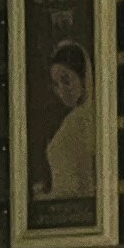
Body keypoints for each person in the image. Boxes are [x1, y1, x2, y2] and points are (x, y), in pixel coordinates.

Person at [38, 42, 97, 203]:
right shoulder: (72, 120)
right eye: (56, 85)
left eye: (66, 80)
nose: (62, 90)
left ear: (83, 75)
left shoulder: (84, 119)